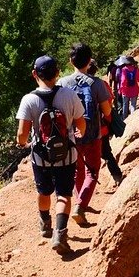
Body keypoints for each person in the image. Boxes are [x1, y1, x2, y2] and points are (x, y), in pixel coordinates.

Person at [16, 55, 85, 255]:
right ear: (57, 73)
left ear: (34, 74)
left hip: (41, 157)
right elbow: (81, 122)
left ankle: (45, 224)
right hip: (67, 153)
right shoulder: (69, 95)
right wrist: (78, 132)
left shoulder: (28, 100)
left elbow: (22, 134)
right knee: (63, 194)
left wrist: (23, 143)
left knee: (43, 191)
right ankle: (60, 234)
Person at [57, 43, 112, 226]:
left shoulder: (62, 83)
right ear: (89, 61)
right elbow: (106, 110)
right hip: (93, 134)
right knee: (93, 171)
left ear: (70, 61)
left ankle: (79, 202)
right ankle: (80, 206)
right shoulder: (96, 83)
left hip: (70, 136)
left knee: (77, 172)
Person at [88, 59, 124, 187]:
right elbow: (109, 104)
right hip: (101, 127)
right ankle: (117, 177)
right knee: (106, 153)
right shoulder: (101, 83)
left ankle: (86, 187)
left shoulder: (75, 85)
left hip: (81, 129)